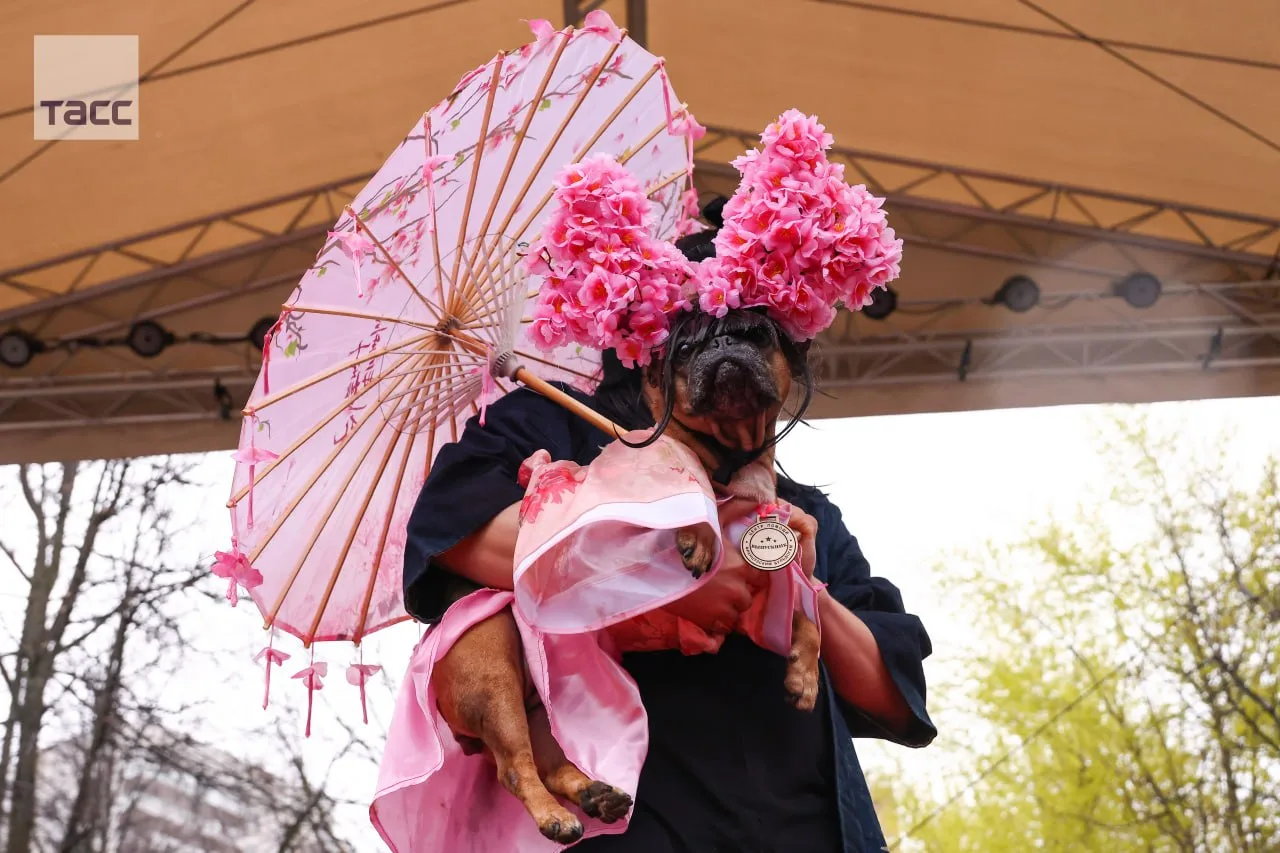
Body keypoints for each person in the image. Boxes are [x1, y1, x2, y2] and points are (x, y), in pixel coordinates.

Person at [401, 346, 936, 853]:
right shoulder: (555, 419)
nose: (727, 346)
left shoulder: (801, 507)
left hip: (803, 820)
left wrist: (794, 580)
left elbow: (893, 696)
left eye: (755, 332)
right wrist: (664, 578)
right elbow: (455, 536)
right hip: (627, 818)